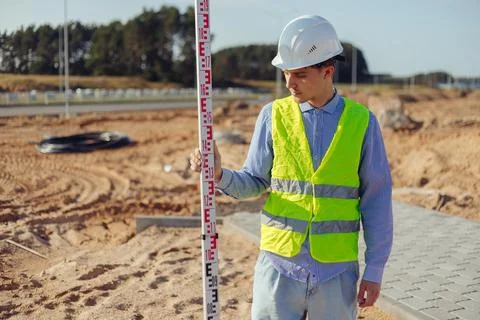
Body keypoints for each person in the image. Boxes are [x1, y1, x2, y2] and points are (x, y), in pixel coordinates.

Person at [190, 15, 393, 320]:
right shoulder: (272, 116)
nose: (288, 83)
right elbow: (254, 181)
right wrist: (219, 174)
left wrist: (375, 269)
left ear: (328, 71)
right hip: (278, 267)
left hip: (335, 272)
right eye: (285, 73)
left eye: (299, 74)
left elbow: (376, 200)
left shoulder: (362, 122)